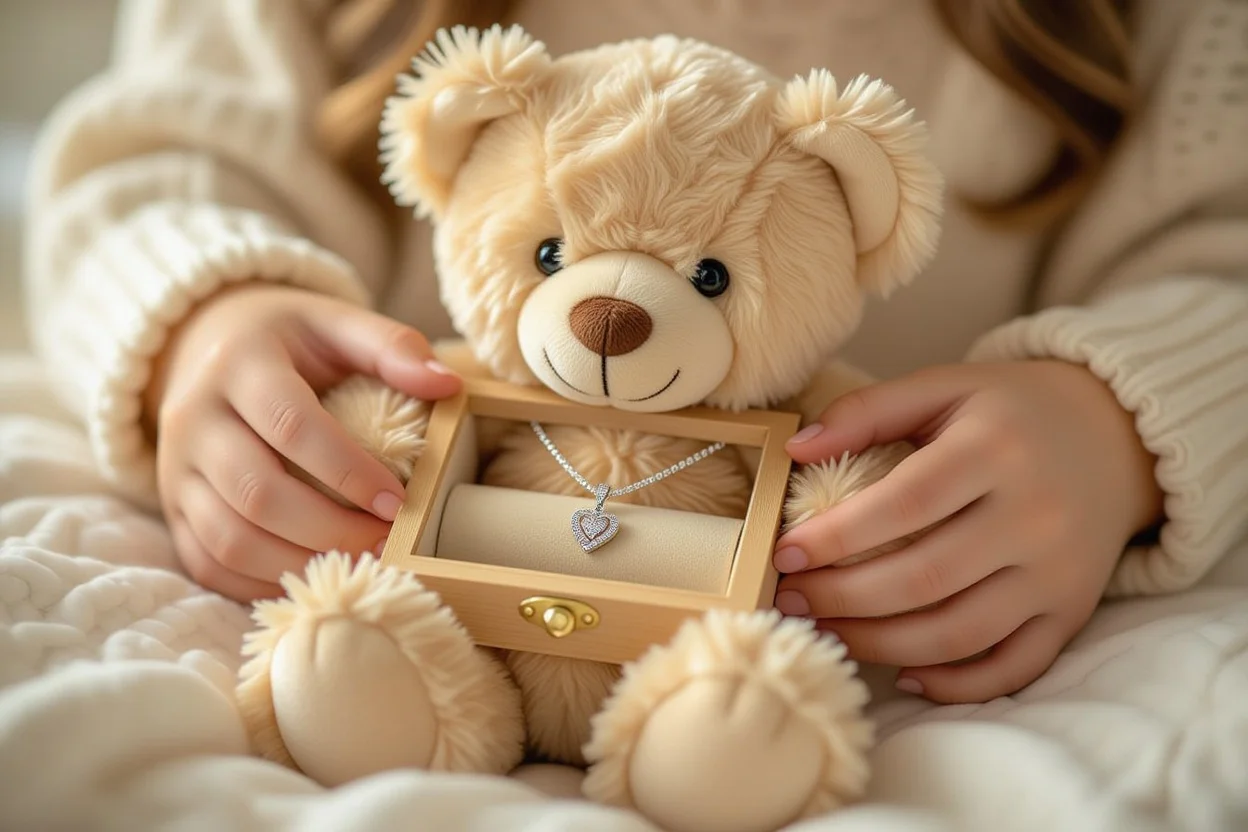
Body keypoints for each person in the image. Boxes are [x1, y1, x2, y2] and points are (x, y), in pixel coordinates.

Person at [21, 0, 1248, 706]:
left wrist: (1118, 422)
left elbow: (1224, 250)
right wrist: (203, 325)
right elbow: (163, 165)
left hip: (805, 624)